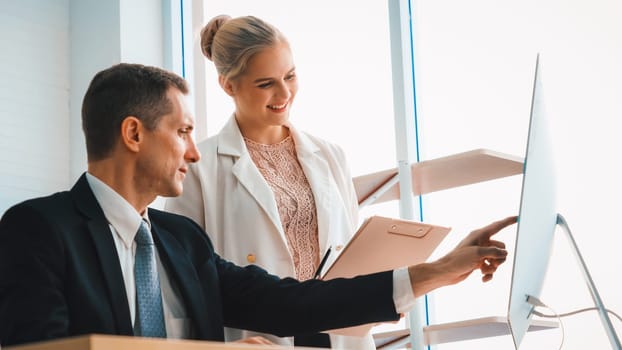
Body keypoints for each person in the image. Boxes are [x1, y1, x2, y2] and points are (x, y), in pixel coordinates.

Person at [0, 62, 516, 348]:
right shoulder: (37, 229)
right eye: (183, 132)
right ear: (133, 133)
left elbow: (294, 303)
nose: (195, 152)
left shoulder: (182, 242)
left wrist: (438, 271)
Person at [163, 14, 375, 349]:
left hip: (336, 328)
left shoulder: (331, 155)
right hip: (256, 336)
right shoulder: (198, 168)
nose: (284, 92)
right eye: (266, 84)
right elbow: (178, 280)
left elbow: (350, 249)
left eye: (290, 76)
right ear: (228, 85)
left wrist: (378, 295)